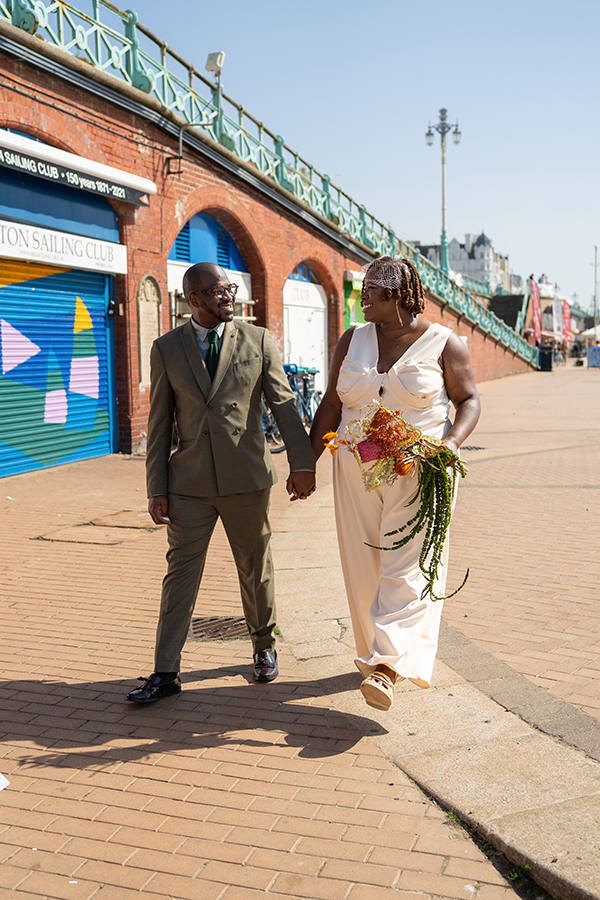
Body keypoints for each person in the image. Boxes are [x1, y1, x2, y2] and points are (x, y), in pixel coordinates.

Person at [127, 262, 316, 704]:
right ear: (192, 299)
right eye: (217, 291)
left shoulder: (257, 339)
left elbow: (285, 406)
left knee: (255, 569)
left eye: (230, 288)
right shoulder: (167, 347)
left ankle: (263, 646)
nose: (227, 296)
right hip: (188, 482)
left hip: (247, 479)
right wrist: (156, 487)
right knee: (179, 575)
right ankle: (166, 671)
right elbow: (158, 424)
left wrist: (302, 465)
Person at [310, 257, 480, 712]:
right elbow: (330, 403)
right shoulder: (353, 339)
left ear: (397, 294)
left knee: (408, 564)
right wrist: (304, 465)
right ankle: (375, 655)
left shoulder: (446, 343)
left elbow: (468, 401)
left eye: (371, 290)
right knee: (363, 565)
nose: (362, 297)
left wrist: (450, 443)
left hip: (418, 469)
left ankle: (388, 666)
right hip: (354, 468)